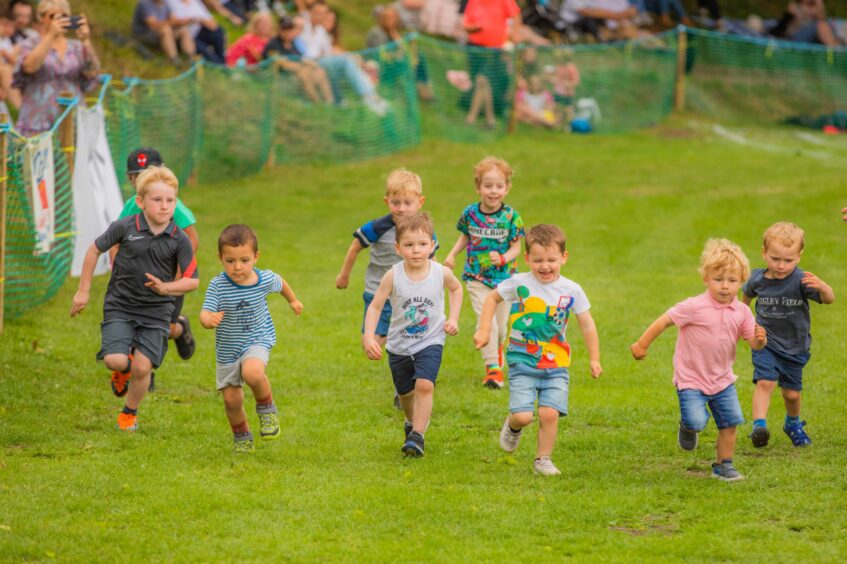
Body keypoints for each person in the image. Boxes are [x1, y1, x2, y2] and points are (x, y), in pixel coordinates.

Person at [70, 166, 199, 432]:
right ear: (140, 202)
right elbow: (94, 250)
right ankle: (122, 370)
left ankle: (129, 412)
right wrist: (83, 290)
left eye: (170, 200)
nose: (164, 206)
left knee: (143, 367)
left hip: (157, 310)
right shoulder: (124, 227)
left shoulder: (179, 239)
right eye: (157, 200)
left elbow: (193, 280)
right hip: (120, 305)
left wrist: (167, 288)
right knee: (115, 360)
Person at [631, 239, 767, 482]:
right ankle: (687, 425)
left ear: (741, 281)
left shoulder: (743, 312)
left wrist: (760, 340)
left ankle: (723, 465)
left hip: (723, 379)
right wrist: (642, 343)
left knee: (730, 422)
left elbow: (753, 343)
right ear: (706, 278)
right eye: (718, 279)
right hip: (691, 378)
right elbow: (664, 320)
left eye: (732, 281)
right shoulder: (694, 306)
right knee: (696, 421)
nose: (725, 286)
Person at [474, 224, 601, 476]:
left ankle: (543, 459)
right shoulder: (519, 283)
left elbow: (587, 324)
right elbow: (491, 299)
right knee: (523, 417)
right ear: (527, 259)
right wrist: (484, 329)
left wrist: (594, 359)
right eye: (538, 260)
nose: (545, 266)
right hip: (523, 362)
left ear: (564, 257)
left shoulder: (571, 290)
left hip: (556, 364)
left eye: (552, 260)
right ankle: (513, 426)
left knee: (549, 413)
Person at [336, 168, 437, 409]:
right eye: (395, 202)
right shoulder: (377, 227)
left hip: (408, 296)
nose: (401, 208)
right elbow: (354, 247)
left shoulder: (422, 230)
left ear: (420, 202)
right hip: (376, 292)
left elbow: (431, 259)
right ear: (386, 201)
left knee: (408, 337)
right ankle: (395, 353)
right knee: (368, 340)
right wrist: (344, 274)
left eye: (408, 202)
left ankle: (405, 386)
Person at [363, 212, 463, 458]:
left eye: (422, 244)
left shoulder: (440, 272)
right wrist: (368, 336)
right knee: (406, 393)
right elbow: (376, 306)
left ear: (432, 246)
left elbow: (456, 288)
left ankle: (418, 436)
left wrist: (453, 318)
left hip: (431, 340)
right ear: (398, 248)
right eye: (409, 245)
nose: (416, 250)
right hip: (398, 345)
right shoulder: (393, 275)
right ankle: (410, 422)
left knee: (425, 385)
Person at [200, 224, 303, 454]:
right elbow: (204, 313)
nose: (237, 267)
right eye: (230, 261)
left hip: (258, 339)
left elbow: (280, 282)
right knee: (231, 401)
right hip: (227, 350)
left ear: (256, 257)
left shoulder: (263, 279)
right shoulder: (218, 285)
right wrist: (208, 320)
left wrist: (293, 301)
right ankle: (242, 436)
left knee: (253, 372)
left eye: (244, 260)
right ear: (220, 258)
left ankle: (267, 411)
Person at [110, 148, 199, 392]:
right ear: (131, 180)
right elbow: (116, 240)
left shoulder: (171, 205)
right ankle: (140, 373)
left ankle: (180, 329)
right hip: (135, 279)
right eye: (136, 176)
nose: (141, 179)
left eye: (147, 173)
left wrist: (178, 273)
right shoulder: (132, 206)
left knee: (161, 328)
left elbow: (192, 237)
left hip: (168, 281)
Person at [742, 222, 834, 448]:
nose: (781, 265)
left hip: (795, 347)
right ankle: (759, 427)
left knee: (791, 395)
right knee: (765, 382)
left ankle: (793, 424)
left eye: (788, 260)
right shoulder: (757, 279)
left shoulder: (802, 280)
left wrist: (822, 287)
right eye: (775, 259)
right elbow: (744, 299)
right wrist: (745, 323)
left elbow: (830, 298)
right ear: (764, 253)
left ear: (799, 257)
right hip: (766, 343)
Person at [443, 157, 525, 389]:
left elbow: (517, 247)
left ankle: (497, 352)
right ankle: (493, 370)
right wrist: (451, 255)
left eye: (499, 186)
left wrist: (502, 258)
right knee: (485, 321)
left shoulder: (511, 217)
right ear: (478, 187)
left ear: (507, 188)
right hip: (476, 277)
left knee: (501, 328)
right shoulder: (470, 213)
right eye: (488, 186)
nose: (493, 191)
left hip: (505, 280)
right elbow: (465, 236)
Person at [13, 0, 100, 137]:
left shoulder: (76, 46)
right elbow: (29, 67)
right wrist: (51, 36)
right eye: (53, 16)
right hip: (37, 120)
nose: (59, 20)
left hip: (72, 117)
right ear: (41, 18)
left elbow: (92, 72)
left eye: (64, 16)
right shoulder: (30, 43)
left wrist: (85, 41)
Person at [299, 1, 389, 115]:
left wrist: (351, 57)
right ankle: (368, 96)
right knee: (345, 61)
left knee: (349, 60)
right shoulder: (301, 25)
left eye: (323, 13)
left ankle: (367, 97)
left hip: (322, 62)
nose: (321, 16)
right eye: (317, 13)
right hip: (307, 63)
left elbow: (329, 52)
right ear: (310, 13)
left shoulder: (321, 31)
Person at [462, 0, 521, 128]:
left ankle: (471, 117)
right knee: (483, 84)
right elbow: (466, 24)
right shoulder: (474, 2)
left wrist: (515, 34)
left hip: (494, 49)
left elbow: (516, 15)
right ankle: (490, 119)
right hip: (475, 47)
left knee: (482, 80)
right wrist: (473, 28)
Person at [262, 15, 333, 104]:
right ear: (279, 29)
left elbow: (301, 58)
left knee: (320, 71)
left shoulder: (293, 42)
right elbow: (281, 63)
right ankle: (316, 103)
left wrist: (311, 65)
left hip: (297, 73)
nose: (288, 31)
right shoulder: (273, 44)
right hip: (280, 78)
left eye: (290, 28)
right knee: (304, 74)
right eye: (285, 28)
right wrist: (301, 67)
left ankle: (329, 102)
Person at [132, 0, 195, 66]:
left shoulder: (165, 4)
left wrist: (182, 22)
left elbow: (173, 19)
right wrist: (172, 22)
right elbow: (153, 25)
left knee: (183, 30)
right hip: (144, 34)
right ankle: (173, 59)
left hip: (159, 34)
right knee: (166, 29)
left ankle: (190, 57)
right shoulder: (145, 4)